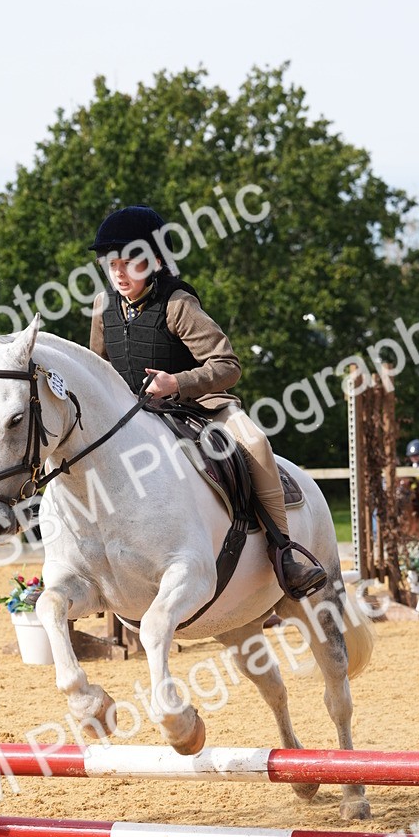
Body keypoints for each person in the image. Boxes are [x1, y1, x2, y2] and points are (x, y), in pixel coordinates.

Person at [87, 204, 327, 598]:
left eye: (129, 263)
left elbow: (228, 364)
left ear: (156, 260)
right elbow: (98, 369)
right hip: (133, 416)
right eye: (112, 264)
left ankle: (285, 551)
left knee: (254, 443)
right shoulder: (103, 309)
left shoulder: (178, 303)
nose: (119, 273)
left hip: (198, 405)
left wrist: (176, 382)